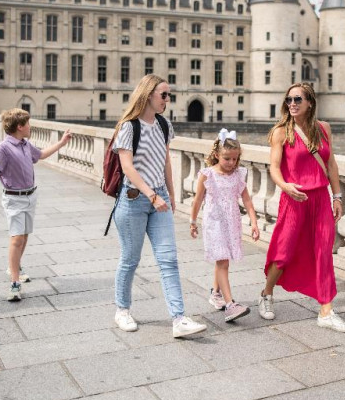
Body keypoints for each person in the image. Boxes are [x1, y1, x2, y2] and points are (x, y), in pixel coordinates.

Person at [111, 74, 207, 338]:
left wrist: (170, 194)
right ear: (148, 94)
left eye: (169, 95)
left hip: (160, 198)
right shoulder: (129, 127)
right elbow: (127, 167)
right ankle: (122, 310)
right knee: (130, 259)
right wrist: (152, 195)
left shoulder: (164, 125)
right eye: (163, 94)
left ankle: (179, 318)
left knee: (169, 259)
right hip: (133, 200)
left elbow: (165, 162)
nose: (167, 99)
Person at [259, 82, 345, 333]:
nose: (292, 104)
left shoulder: (324, 129)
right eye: (289, 99)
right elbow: (274, 168)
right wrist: (285, 186)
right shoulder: (281, 132)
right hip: (294, 199)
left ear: (310, 103)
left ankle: (326, 311)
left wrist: (337, 196)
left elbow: (331, 164)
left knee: (323, 252)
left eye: (297, 99)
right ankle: (267, 293)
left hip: (320, 199)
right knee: (284, 252)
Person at [0, 108, 71, 301]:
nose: (30, 126)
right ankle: (14, 282)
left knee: (24, 235)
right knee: (17, 238)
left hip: (30, 196)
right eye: (28, 123)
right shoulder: (4, 148)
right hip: (14, 198)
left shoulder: (25, 144)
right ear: (19, 126)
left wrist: (61, 143)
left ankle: (15, 266)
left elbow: (41, 155)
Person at [189, 129, 260, 322]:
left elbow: (247, 200)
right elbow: (197, 200)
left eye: (235, 159)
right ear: (216, 155)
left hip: (231, 223)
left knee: (222, 259)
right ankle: (230, 305)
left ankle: (216, 294)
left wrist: (254, 222)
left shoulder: (238, 175)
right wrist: (193, 222)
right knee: (223, 262)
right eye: (227, 158)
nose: (231, 163)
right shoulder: (208, 175)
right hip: (214, 223)